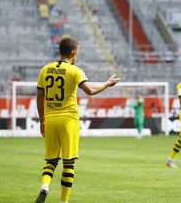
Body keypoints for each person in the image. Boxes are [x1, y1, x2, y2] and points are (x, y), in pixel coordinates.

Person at [34, 37, 120, 203]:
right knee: (69, 162)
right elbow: (90, 91)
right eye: (77, 53)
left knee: (51, 160)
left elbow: (39, 96)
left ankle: (44, 186)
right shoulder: (75, 71)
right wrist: (107, 84)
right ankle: (64, 201)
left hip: (50, 119)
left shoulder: (45, 70)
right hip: (68, 119)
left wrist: (42, 120)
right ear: (73, 53)